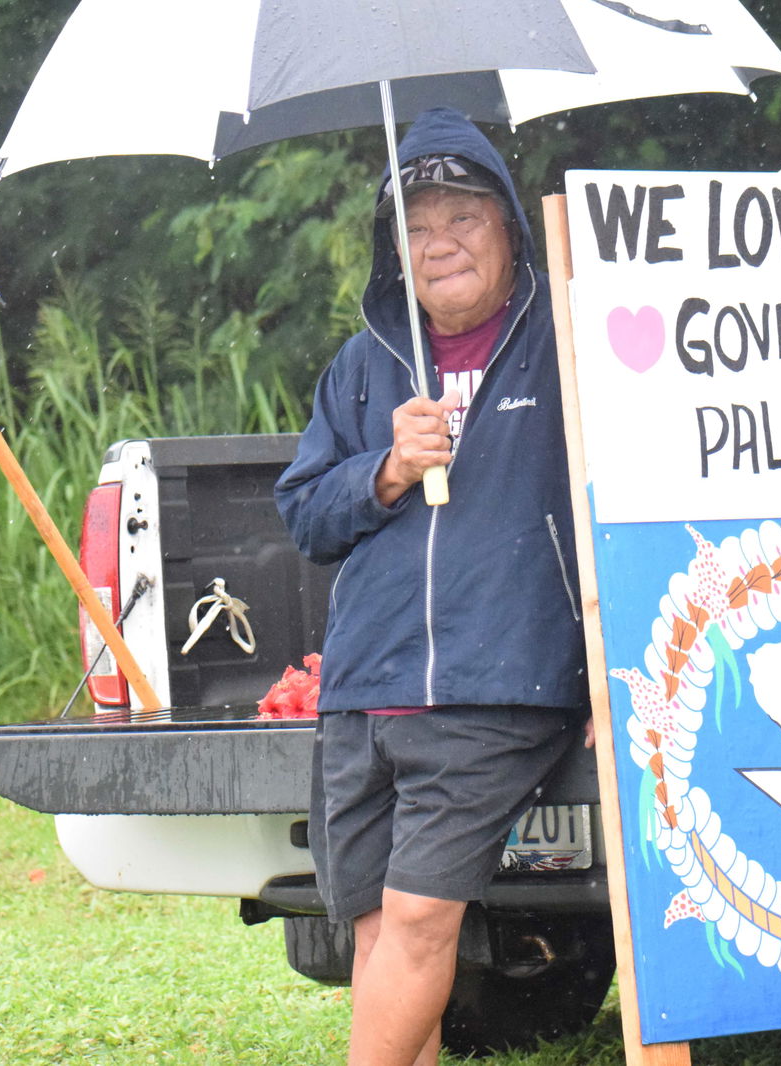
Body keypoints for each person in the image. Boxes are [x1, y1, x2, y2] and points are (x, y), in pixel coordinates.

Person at [276, 107, 589, 1066]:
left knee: (416, 921)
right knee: (373, 928)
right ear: (393, 249)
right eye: (416, 225)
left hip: (499, 681)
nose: (440, 242)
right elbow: (305, 515)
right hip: (366, 685)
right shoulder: (366, 362)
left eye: (464, 217)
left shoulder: (569, 338)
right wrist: (384, 471)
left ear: (509, 227)